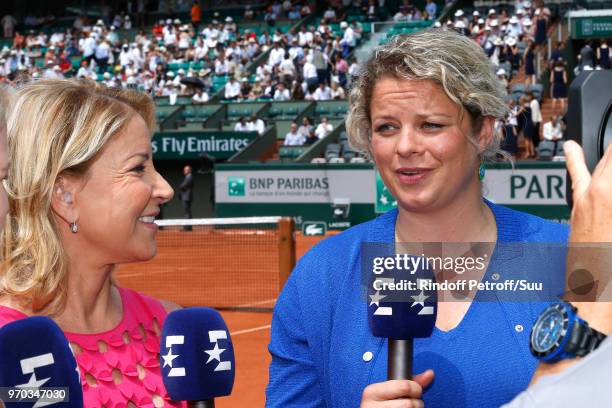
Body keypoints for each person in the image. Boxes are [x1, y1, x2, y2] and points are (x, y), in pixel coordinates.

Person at [266, 29, 568, 407]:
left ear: (484, 131)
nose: (406, 146)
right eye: (387, 127)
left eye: (431, 125)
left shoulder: (570, 258)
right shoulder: (321, 276)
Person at [0, 79, 183, 407]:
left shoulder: (173, 327)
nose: (165, 189)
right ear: (65, 194)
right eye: (138, 168)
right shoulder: (7, 347)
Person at [179, 165, 194, 231]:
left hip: (186, 197)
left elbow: (183, 186)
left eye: (186, 170)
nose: (184, 171)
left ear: (190, 170)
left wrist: (181, 186)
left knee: (186, 212)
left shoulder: (189, 177)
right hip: (186, 197)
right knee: (187, 212)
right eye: (184, 170)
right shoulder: (188, 177)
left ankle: (187, 227)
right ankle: (188, 227)